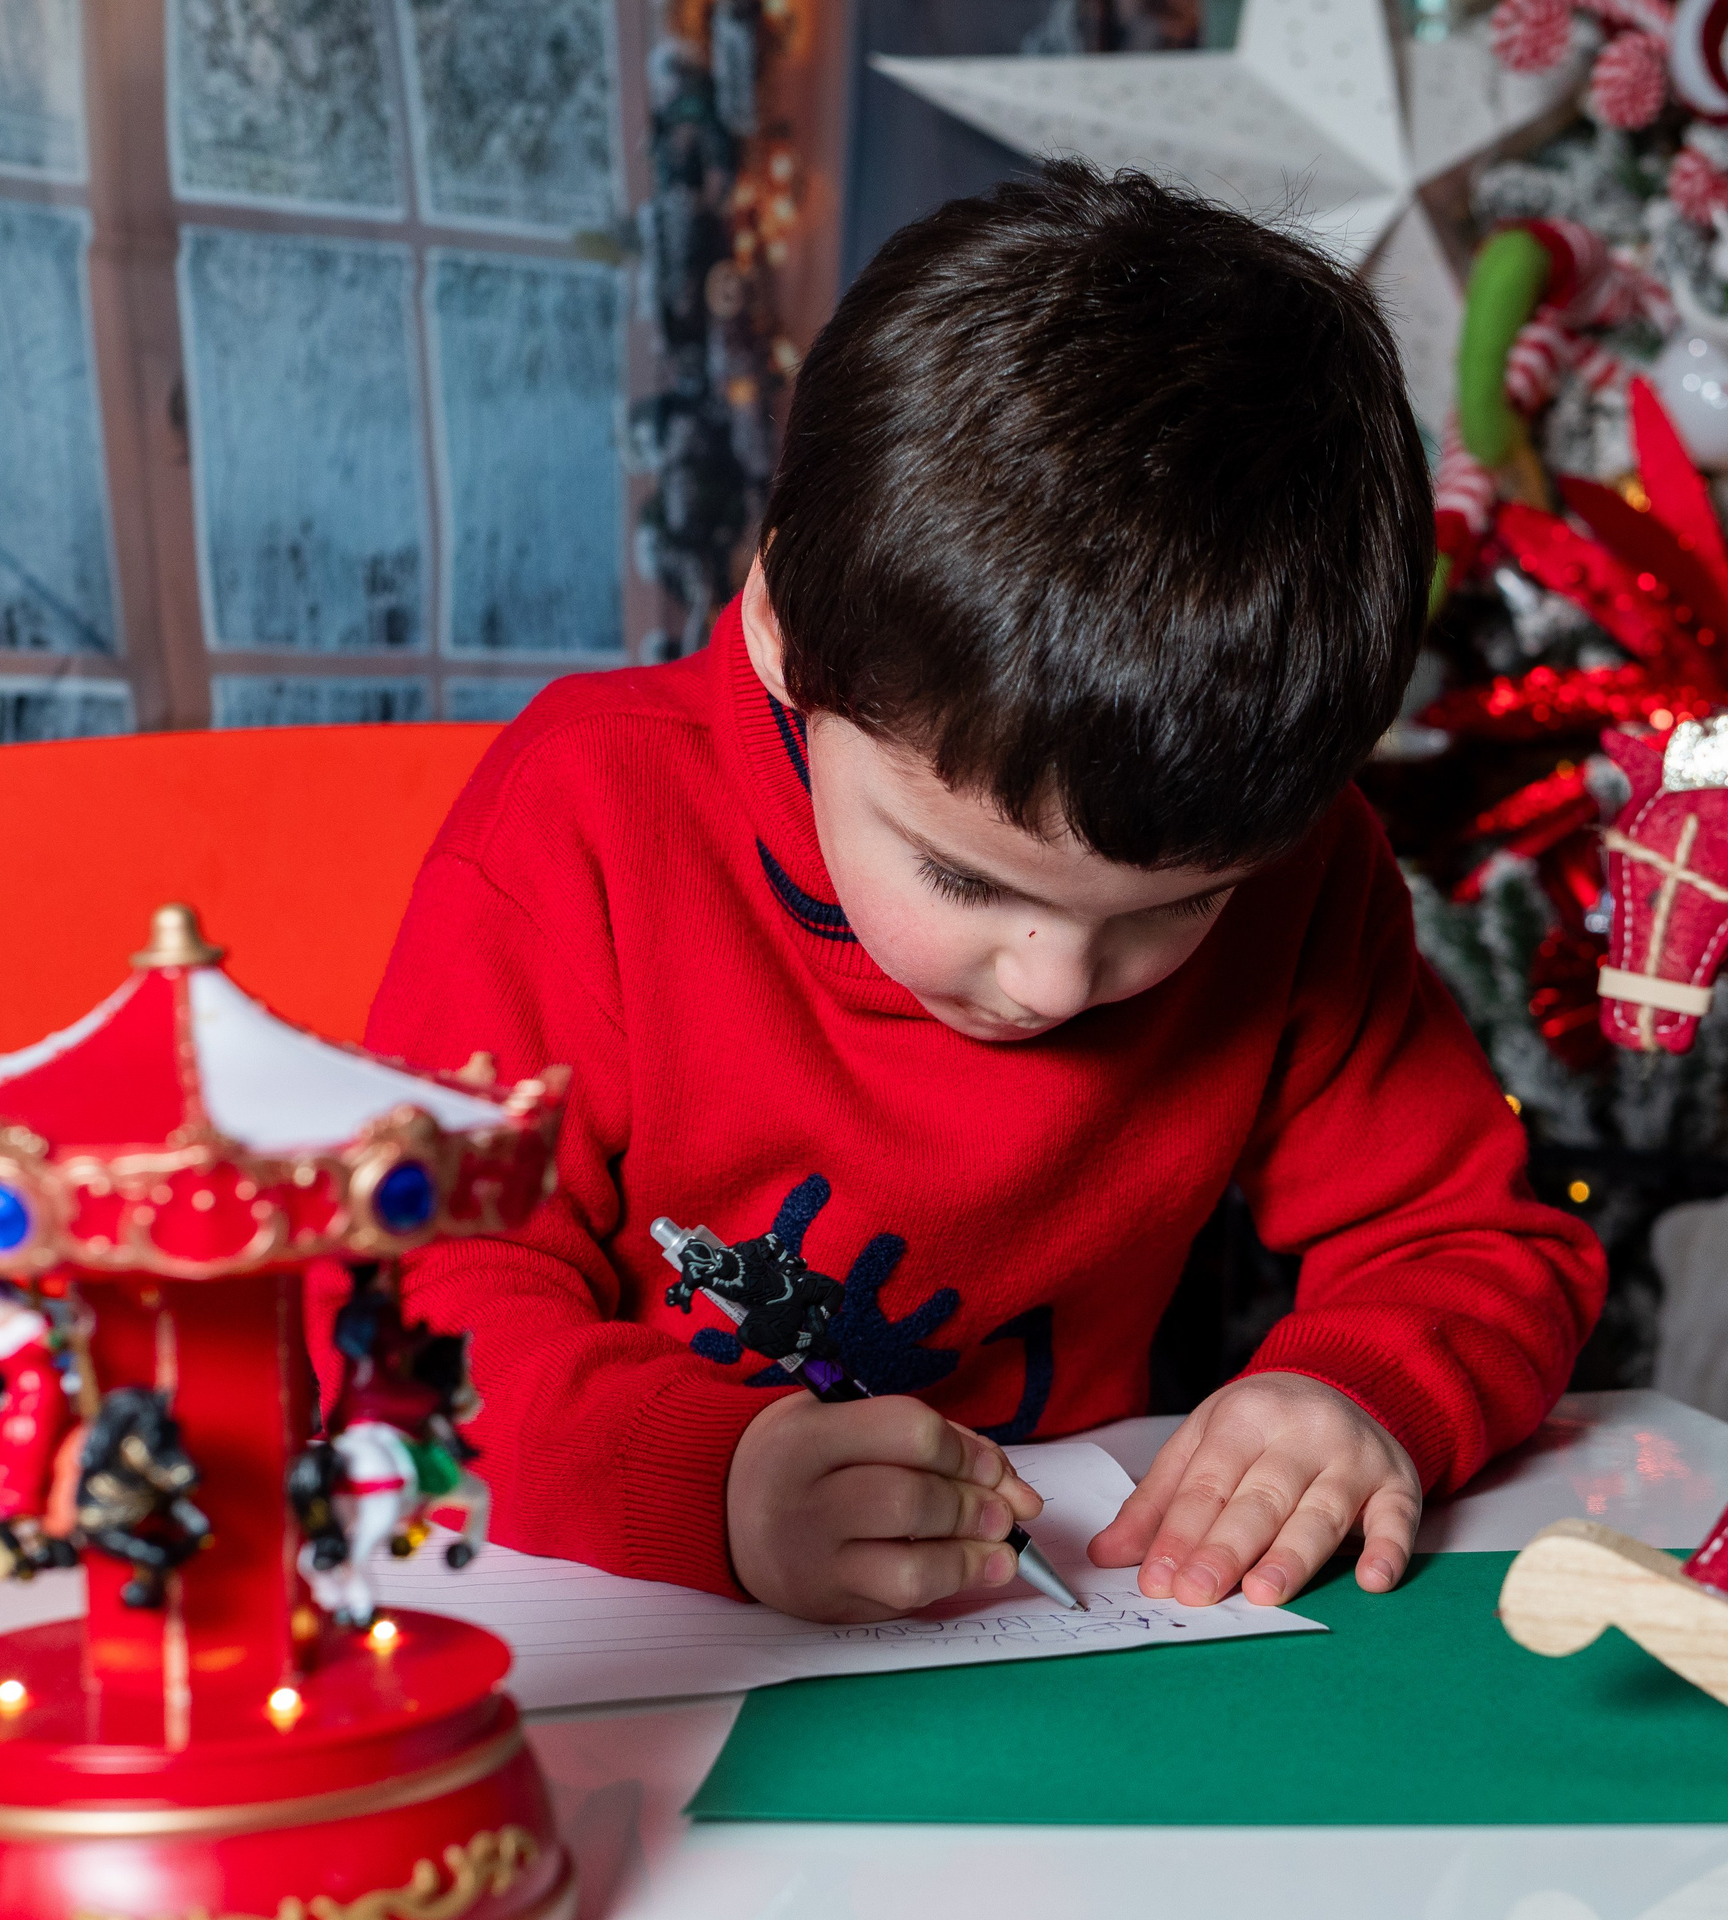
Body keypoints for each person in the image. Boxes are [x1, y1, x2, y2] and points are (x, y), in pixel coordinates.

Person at [343, 163, 1605, 1624]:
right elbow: (410, 1292)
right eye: (961, 874)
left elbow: (1477, 1247)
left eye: (1172, 910)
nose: (1062, 985)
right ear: (780, 631)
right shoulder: (585, 819)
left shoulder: (1296, 864)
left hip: (1060, 1634)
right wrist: (720, 1479)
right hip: (611, 1619)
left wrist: (1358, 1392)